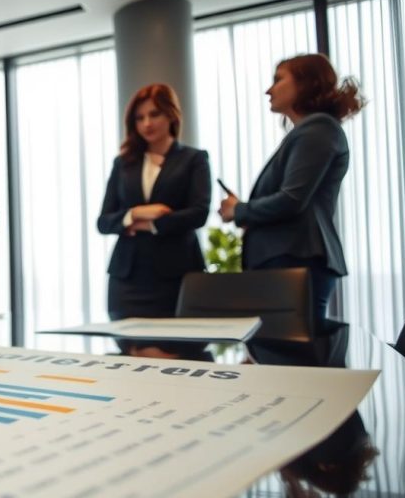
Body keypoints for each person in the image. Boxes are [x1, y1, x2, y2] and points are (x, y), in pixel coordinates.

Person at [219, 54, 364, 320]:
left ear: (306, 83)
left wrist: (238, 210)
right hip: (286, 260)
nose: (268, 90)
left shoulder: (318, 128)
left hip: (294, 260)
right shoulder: (310, 131)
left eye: (278, 80)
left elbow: (291, 200)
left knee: (288, 351)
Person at [97, 84, 210, 320]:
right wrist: (138, 212)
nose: (146, 123)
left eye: (154, 114)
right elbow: (104, 222)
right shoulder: (123, 163)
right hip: (126, 279)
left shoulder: (194, 159)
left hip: (176, 276)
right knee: (126, 353)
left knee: (177, 353)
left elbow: (198, 214)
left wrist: (150, 224)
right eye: (139, 118)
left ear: (171, 114)